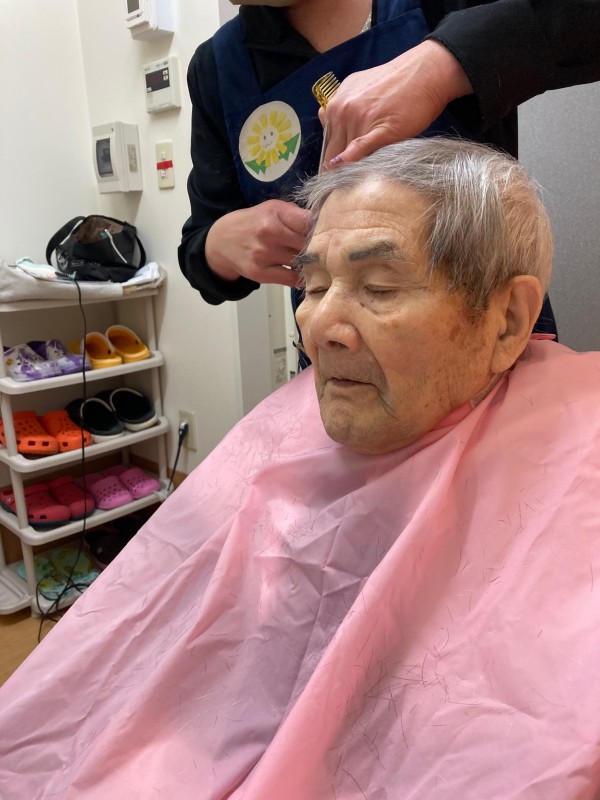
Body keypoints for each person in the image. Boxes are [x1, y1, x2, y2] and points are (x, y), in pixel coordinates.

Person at [1, 138, 599, 799]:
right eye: (312, 286)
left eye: (378, 287)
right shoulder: (286, 439)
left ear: (508, 319)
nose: (319, 327)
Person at [178, 0, 600, 354]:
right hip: (342, 363)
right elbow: (199, 248)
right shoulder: (218, 68)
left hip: (488, 346)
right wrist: (220, 243)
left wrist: (443, 63)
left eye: (381, 287)